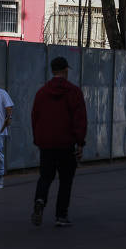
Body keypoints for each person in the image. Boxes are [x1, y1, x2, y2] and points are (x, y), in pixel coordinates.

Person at [31, 57, 87, 227]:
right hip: (66, 143)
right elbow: (79, 119)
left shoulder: (41, 92)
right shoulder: (74, 92)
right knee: (66, 179)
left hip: (46, 143)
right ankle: (61, 215)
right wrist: (80, 143)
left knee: (45, 176)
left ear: (52, 71)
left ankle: (40, 200)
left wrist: (38, 139)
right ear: (65, 70)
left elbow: (35, 117)